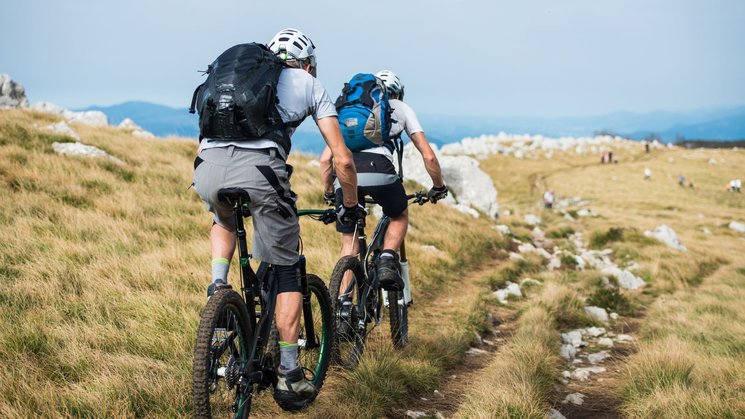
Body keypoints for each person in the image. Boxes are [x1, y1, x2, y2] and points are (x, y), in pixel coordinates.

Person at [192, 28, 360, 408]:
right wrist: (348, 205)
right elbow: (342, 159)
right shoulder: (308, 84)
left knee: (223, 220)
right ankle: (288, 374)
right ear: (307, 63)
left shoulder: (235, 77)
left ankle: (218, 285)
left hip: (207, 170)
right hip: (260, 172)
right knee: (287, 270)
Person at [320, 69, 448, 290]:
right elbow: (428, 155)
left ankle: (342, 306)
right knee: (398, 214)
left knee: (349, 244)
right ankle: (388, 258)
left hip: (346, 175)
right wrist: (438, 186)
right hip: (381, 170)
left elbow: (325, 161)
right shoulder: (401, 108)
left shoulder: (349, 111)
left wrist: (330, 191)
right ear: (397, 94)